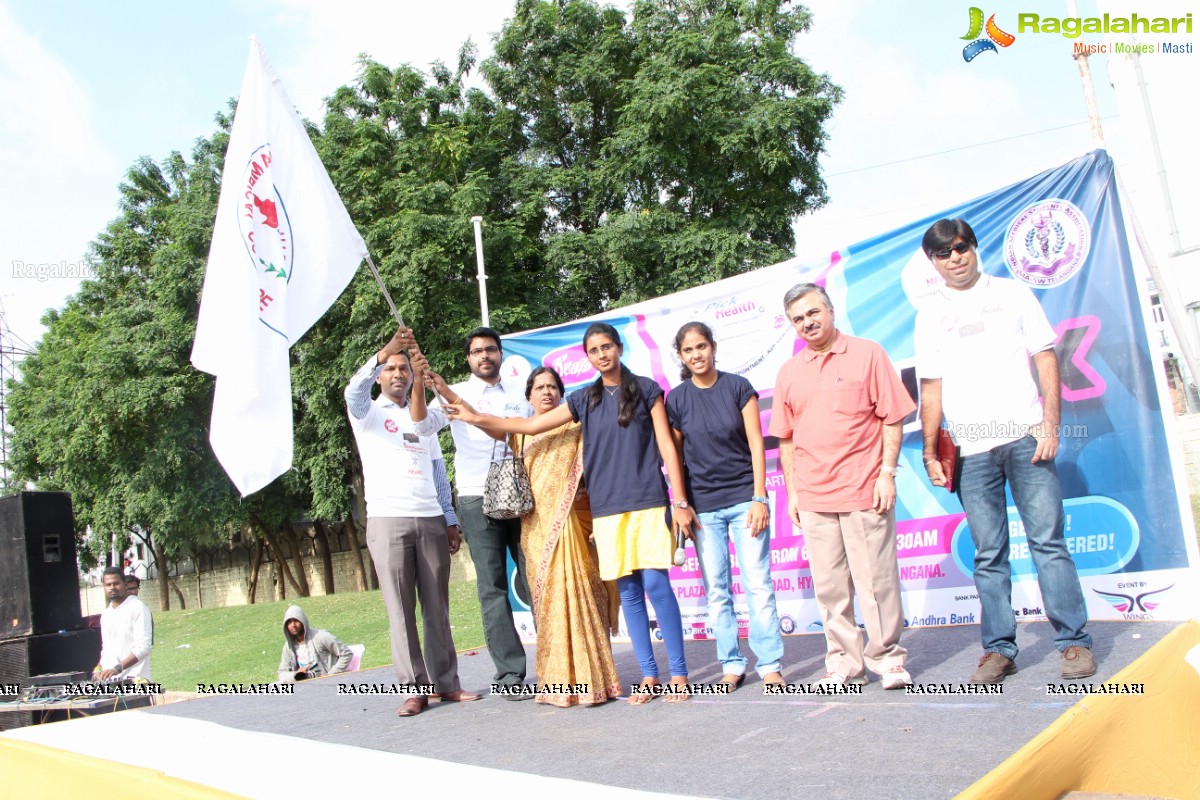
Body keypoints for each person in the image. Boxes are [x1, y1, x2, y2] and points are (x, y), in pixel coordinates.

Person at [446, 322, 699, 703]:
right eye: (594, 350)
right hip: (608, 510)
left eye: (607, 346)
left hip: (648, 501)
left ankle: (678, 673)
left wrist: (679, 502)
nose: (602, 354)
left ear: (618, 348)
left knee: (658, 587)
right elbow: (530, 425)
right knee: (629, 593)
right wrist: (474, 418)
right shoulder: (584, 400)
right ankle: (649, 676)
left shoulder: (646, 389)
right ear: (589, 357)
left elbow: (666, 445)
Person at [916, 218, 1094, 684]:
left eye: (960, 247)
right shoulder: (929, 314)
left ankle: (1073, 642)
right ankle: (999, 650)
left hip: (1025, 437)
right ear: (933, 262)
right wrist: (931, 452)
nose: (954, 257)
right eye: (943, 253)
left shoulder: (1013, 294)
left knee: (1048, 544)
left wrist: (1050, 425)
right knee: (988, 554)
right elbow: (930, 388)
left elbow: (1045, 357)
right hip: (971, 452)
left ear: (974, 248)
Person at [770, 284, 914, 689]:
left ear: (831, 312)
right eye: (798, 319)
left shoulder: (868, 354)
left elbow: (893, 416)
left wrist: (887, 472)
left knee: (876, 581)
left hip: (865, 490)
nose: (808, 323)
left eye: (813, 313)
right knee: (831, 589)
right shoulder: (789, 372)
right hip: (815, 496)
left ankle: (887, 659)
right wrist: (794, 493)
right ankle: (844, 664)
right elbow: (785, 438)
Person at [345, 326, 481, 716]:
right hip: (388, 521)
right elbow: (353, 391)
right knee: (400, 609)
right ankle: (414, 689)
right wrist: (385, 349)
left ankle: (446, 684)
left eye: (404, 368)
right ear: (380, 376)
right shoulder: (368, 413)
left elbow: (439, 471)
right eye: (390, 368)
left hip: (431, 520)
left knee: (437, 606)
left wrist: (450, 518)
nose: (399, 374)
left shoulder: (424, 417)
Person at [666, 322, 785, 692]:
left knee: (759, 586)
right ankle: (731, 664)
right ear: (681, 356)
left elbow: (756, 444)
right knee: (717, 590)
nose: (696, 355)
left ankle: (770, 665)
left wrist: (760, 496)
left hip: (746, 502)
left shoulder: (738, 388)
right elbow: (675, 457)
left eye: (701, 346)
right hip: (703, 511)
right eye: (688, 350)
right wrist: (681, 504)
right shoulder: (677, 399)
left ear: (713, 347)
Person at [503, 367, 622, 705]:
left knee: (583, 594)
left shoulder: (577, 428)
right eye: (539, 387)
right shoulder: (519, 435)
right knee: (550, 602)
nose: (546, 392)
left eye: (553, 386)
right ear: (529, 395)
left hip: (577, 525)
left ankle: (594, 679)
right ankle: (556, 682)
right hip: (537, 529)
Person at [435, 327, 533, 698]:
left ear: (501, 353)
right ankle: (510, 674)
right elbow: (421, 421)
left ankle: (558, 663)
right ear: (469, 359)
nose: (485, 356)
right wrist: (423, 383)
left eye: (491, 349)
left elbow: (526, 436)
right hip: (477, 497)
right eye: (477, 351)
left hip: (522, 495)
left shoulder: (519, 393)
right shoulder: (455, 395)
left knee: (535, 579)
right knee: (492, 587)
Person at [94, 566, 153, 681]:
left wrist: (117, 668)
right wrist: (98, 669)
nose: (112, 588)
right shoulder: (106, 614)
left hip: (135, 683)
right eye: (108, 585)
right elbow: (106, 650)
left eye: (116, 583)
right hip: (111, 684)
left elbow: (144, 647)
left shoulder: (138, 608)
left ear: (125, 584)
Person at [278, 605, 353, 683]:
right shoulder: (288, 647)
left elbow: (347, 653)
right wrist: (296, 674)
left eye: (296, 621)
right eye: (289, 622)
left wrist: (330, 675)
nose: (293, 625)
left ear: (303, 622)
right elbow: (282, 674)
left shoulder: (321, 637)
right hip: (304, 686)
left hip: (328, 682)